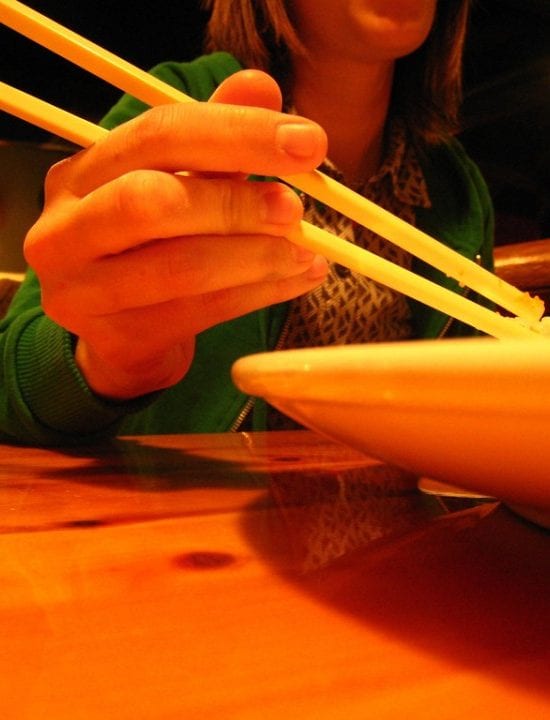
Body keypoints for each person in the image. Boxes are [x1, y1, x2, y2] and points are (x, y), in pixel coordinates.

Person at [0, 0, 493, 445]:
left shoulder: (454, 184)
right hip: (193, 513)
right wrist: (105, 361)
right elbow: (11, 383)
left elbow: (481, 409)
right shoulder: (178, 108)